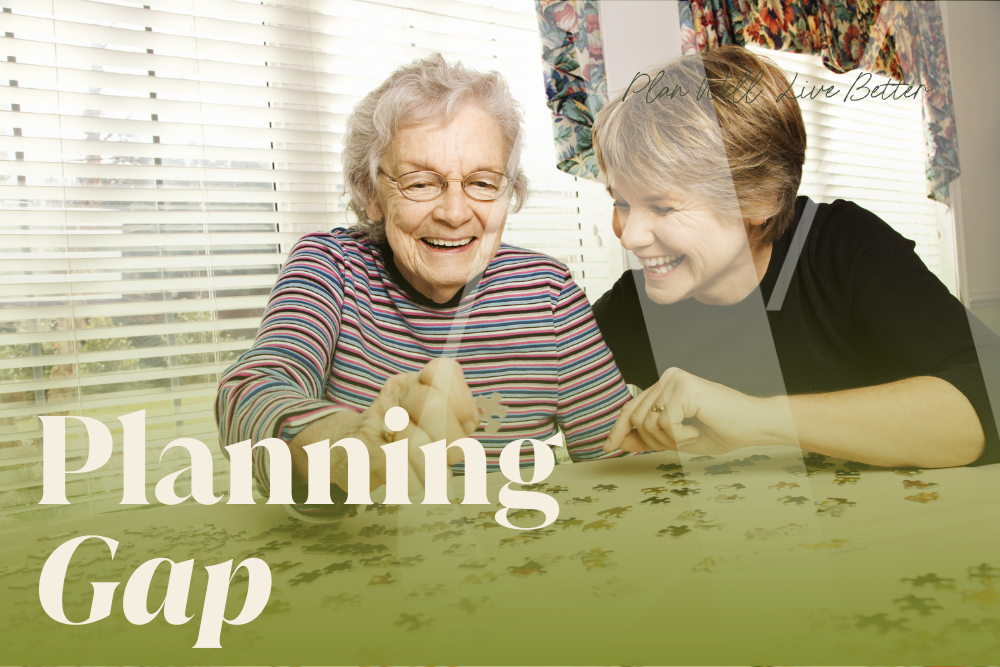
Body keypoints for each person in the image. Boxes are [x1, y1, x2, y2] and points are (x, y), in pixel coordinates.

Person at [215, 53, 632, 518]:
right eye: (419, 184)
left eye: (482, 183)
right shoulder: (331, 266)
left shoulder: (548, 292)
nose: (454, 213)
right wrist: (351, 444)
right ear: (370, 194)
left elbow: (623, 464)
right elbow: (250, 393)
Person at [591, 45, 1000, 469]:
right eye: (621, 202)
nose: (629, 236)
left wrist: (758, 419)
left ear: (761, 197)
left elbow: (990, 391)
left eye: (662, 207)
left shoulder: (844, 246)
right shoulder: (633, 306)